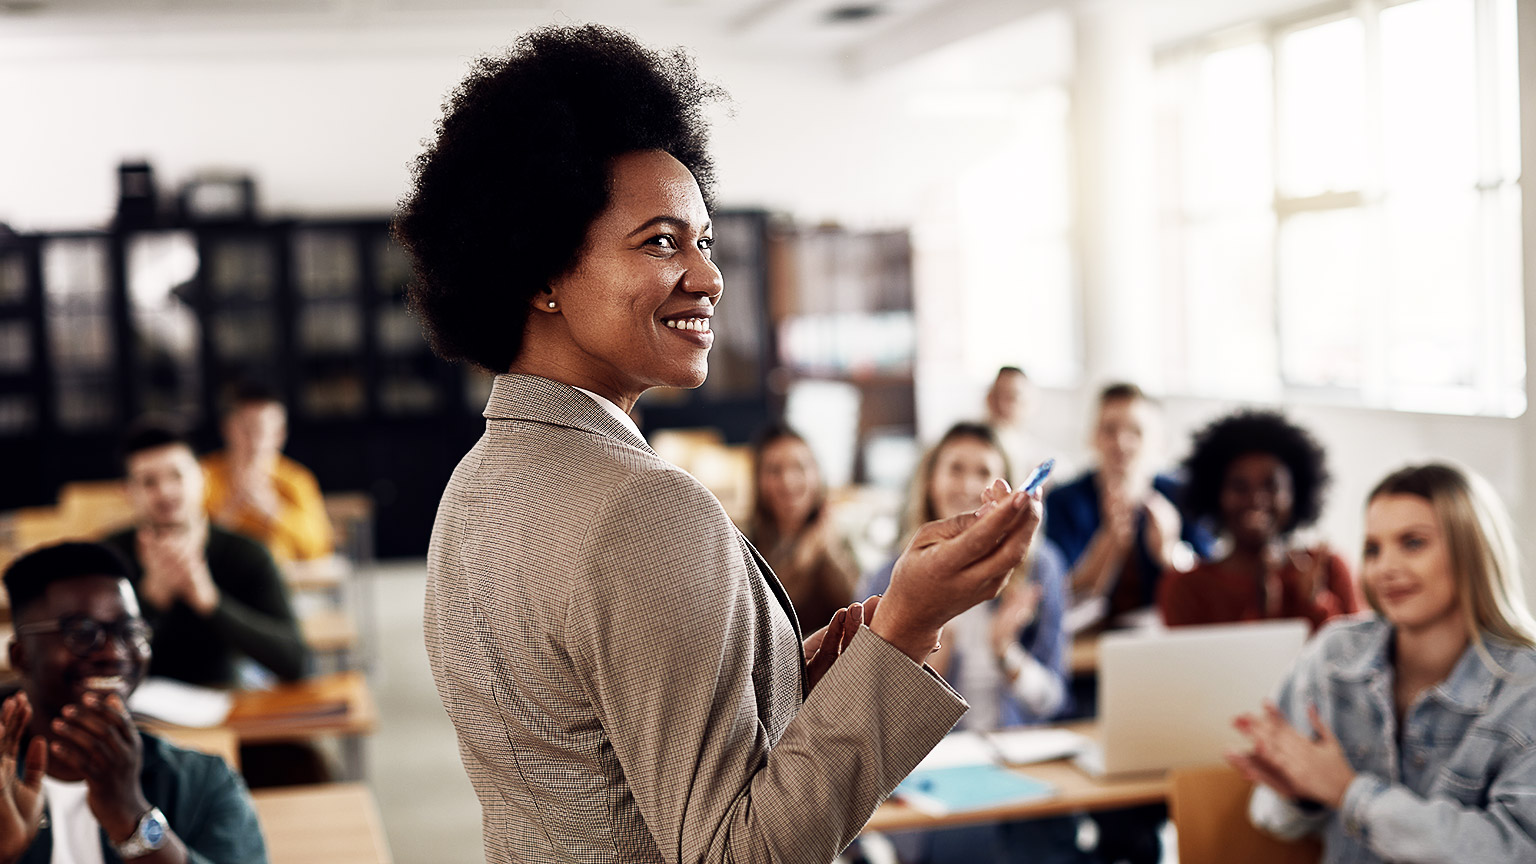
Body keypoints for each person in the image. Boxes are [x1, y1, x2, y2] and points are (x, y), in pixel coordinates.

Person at [395, 25, 1043, 864]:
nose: (707, 276)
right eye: (660, 242)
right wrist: (913, 625)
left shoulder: (477, 484)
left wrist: (797, 671)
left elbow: (596, 749)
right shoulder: (642, 507)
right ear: (541, 275)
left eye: (702, 240)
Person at [1231, 463, 1536, 863]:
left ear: (1472, 549)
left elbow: (1515, 852)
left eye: (1412, 543)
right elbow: (1269, 816)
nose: (1384, 568)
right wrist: (1298, 795)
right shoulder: (1333, 654)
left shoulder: (1524, 689)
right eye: (1373, 549)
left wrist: (1348, 793)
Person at [865, 422, 1083, 864]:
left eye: (982, 470)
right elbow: (873, 714)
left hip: (1021, 771)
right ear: (931, 481)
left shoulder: (1041, 569)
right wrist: (928, 633)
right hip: (932, 776)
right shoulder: (888, 577)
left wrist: (1008, 653)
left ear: (1004, 487)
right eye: (955, 469)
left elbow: (1054, 703)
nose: (967, 484)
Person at [0, 542, 268, 864]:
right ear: (21, 656)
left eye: (131, 631)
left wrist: (130, 814)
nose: (114, 653)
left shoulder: (201, 781)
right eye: (83, 632)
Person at [102, 421, 308, 688]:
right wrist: (152, 597)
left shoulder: (247, 553)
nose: (165, 492)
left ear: (203, 478)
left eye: (177, 476)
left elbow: (295, 661)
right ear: (127, 492)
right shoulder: (108, 558)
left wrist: (209, 600)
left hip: (227, 706)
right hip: (137, 709)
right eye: (148, 482)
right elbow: (95, 662)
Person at [1159, 410, 1359, 630]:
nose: (1255, 499)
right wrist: (1263, 608)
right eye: (1239, 487)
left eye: (1271, 486)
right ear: (1215, 495)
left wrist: (1315, 602)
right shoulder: (1186, 588)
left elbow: (1358, 656)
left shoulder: (1328, 569)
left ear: (1296, 494)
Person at [1044, 383, 1213, 629]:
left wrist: (1169, 551)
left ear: (1159, 441)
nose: (1121, 442)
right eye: (1109, 430)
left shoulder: (1183, 495)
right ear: (1093, 437)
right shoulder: (1064, 500)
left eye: (1136, 431)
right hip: (1086, 642)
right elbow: (1058, 590)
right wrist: (1108, 543)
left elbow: (1211, 581)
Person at [201, 381, 333, 564]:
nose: (254, 440)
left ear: (280, 434)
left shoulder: (296, 479)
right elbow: (191, 544)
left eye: (262, 430)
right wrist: (228, 511)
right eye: (246, 429)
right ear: (227, 429)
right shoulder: (202, 476)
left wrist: (274, 511)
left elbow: (320, 547)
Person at [745, 425, 859, 634]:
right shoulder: (747, 545)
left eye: (799, 468)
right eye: (774, 470)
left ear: (817, 474)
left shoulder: (842, 535)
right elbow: (764, 621)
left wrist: (828, 548)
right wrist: (804, 557)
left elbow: (857, 605)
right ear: (758, 479)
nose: (788, 481)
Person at [984, 367, 1042, 486]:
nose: (1002, 404)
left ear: (1028, 403)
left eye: (1012, 398)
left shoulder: (1034, 455)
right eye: (997, 395)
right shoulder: (966, 441)